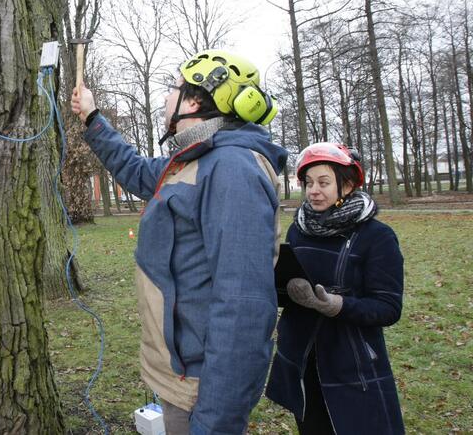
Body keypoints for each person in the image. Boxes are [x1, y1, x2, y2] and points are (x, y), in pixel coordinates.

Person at [71, 50, 287, 434]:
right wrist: (92, 118)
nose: (166, 99)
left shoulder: (231, 170)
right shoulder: (196, 160)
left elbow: (243, 308)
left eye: (173, 88)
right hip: (184, 377)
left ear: (193, 100)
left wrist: (214, 421)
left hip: (202, 391)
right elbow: (137, 171)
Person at [265, 142, 405, 434]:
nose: (313, 190)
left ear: (349, 184)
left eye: (324, 182)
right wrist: (287, 289)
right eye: (308, 183)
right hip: (302, 360)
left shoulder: (377, 237)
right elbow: (285, 289)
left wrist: (338, 305)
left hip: (352, 364)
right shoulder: (298, 230)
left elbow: (388, 308)